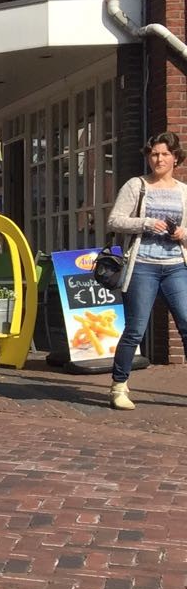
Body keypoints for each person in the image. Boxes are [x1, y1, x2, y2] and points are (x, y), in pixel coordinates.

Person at [107, 132, 187, 410]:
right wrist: (146, 223)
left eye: (164, 154)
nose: (159, 159)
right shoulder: (136, 186)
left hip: (176, 267)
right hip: (142, 266)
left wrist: (182, 233)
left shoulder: (183, 191)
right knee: (135, 329)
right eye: (154, 154)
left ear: (175, 158)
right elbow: (115, 220)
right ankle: (119, 386)